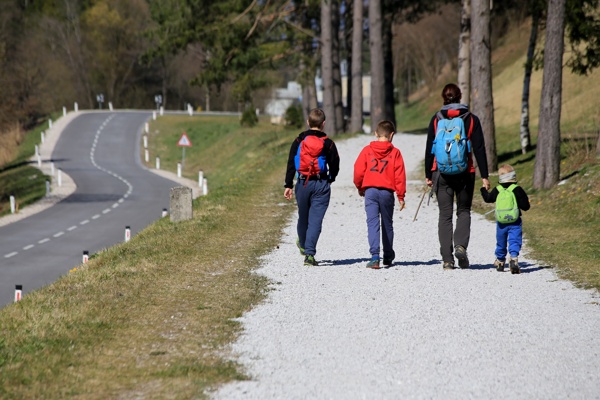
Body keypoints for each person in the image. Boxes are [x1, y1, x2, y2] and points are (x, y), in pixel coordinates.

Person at [425, 83, 491, 270]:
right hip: (465, 172)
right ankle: (460, 246)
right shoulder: (471, 119)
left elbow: (430, 148)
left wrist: (428, 174)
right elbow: (479, 148)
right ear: (460, 97)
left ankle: (447, 259)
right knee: (463, 211)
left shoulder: (437, 119)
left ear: (443, 98)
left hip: (441, 172)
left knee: (445, 215)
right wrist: (485, 176)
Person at [284, 108, 340, 266]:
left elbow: (291, 162)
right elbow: (335, 163)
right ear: (323, 124)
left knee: (303, 217)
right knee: (315, 221)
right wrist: (331, 178)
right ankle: (309, 254)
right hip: (321, 183)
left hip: (302, 183)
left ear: (308, 123)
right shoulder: (328, 142)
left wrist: (288, 184)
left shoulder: (299, 140)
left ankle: (302, 244)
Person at [354, 120, 406, 269]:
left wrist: (360, 186)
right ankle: (388, 255)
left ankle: (375, 256)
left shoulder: (366, 150)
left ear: (376, 134)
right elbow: (400, 175)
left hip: (370, 191)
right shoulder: (395, 153)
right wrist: (401, 196)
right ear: (391, 135)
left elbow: (358, 170)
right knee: (387, 223)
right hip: (387, 192)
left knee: (372, 223)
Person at [480, 164, 530, 274]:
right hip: (515, 221)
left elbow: (488, 199)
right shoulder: (517, 189)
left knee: (501, 241)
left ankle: (500, 261)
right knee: (515, 240)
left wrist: (483, 190)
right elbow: (526, 206)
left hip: (501, 222)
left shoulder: (498, 189)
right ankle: (513, 258)